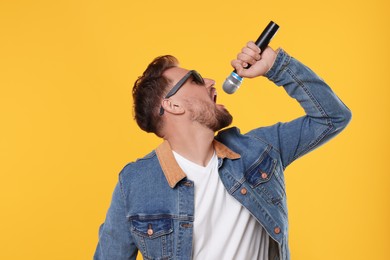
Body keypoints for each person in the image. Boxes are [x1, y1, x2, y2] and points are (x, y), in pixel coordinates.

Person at [94, 41, 351, 260]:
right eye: (194, 78)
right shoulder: (136, 184)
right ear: (172, 105)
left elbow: (332, 117)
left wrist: (277, 66)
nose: (210, 81)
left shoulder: (260, 150)